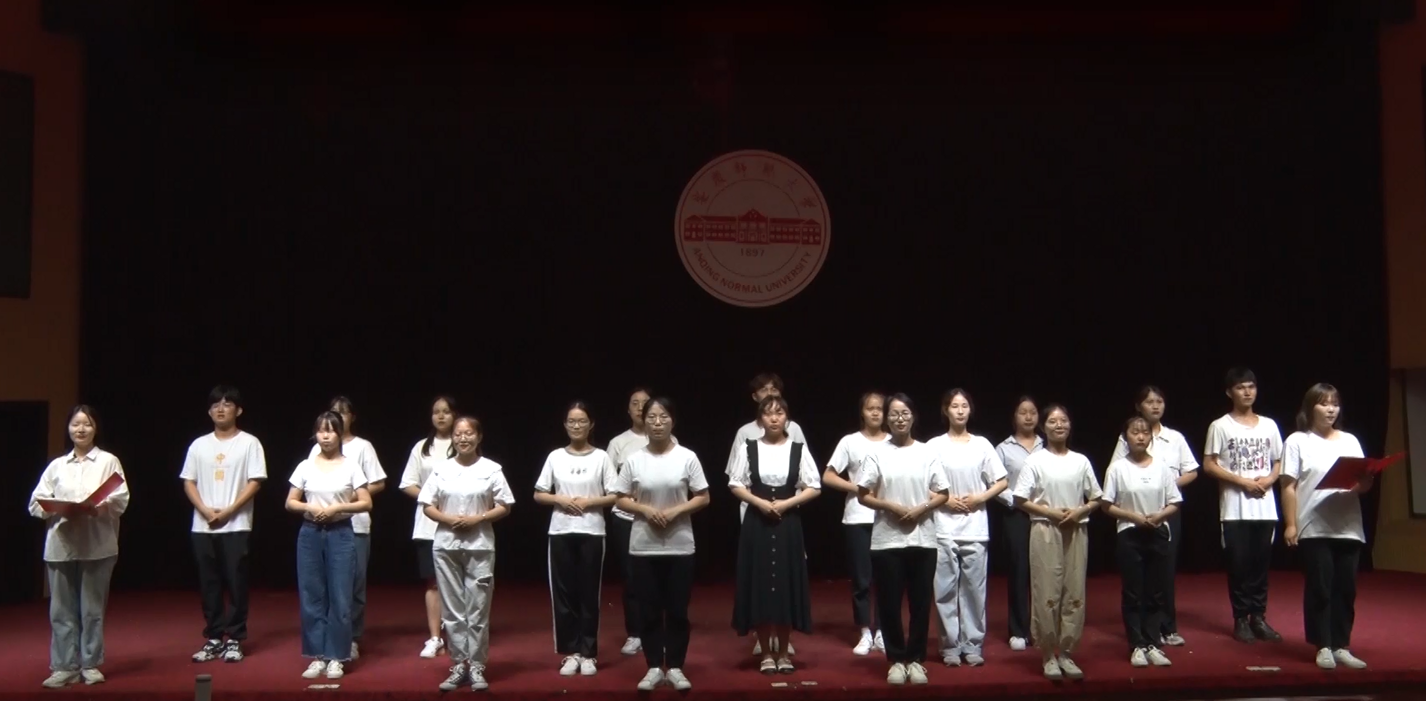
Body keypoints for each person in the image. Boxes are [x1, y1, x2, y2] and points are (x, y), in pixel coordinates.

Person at [29, 405, 130, 688]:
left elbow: (121, 499)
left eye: (87, 424)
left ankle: (90, 663)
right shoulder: (57, 466)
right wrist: (55, 508)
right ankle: (64, 666)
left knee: (92, 610)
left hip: (97, 546)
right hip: (61, 546)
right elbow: (35, 503)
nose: (81, 429)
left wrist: (101, 506)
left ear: (95, 428)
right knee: (60, 611)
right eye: (75, 424)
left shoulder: (108, 461)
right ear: (69, 428)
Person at [613, 397, 710, 692]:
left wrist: (676, 511)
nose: (657, 423)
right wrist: (644, 510)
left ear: (673, 421)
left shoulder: (687, 457)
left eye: (663, 417)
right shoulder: (634, 459)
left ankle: (676, 667)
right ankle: (654, 666)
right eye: (652, 417)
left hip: (680, 545)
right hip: (644, 545)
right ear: (644, 422)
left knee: (678, 610)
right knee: (649, 610)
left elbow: (703, 496)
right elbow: (620, 498)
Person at [855, 393, 950, 686]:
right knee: (889, 603)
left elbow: (943, 493)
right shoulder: (877, 453)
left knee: (920, 603)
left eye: (905, 413)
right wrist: (891, 507)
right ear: (887, 418)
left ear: (913, 417)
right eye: (894, 414)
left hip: (923, 539)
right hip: (887, 541)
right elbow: (863, 494)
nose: (899, 418)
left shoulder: (927, 452)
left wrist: (921, 509)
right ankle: (896, 659)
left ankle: (917, 660)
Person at [419, 416, 514, 692]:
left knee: (478, 607)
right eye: (458, 434)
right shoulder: (442, 470)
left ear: (478, 437)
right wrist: (447, 518)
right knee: (452, 608)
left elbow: (505, 504)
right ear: (453, 438)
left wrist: (478, 518)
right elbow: (427, 504)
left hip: (480, 544)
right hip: (446, 545)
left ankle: (477, 664)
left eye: (469, 433)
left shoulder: (491, 469)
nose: (463, 438)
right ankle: (459, 663)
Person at [1281, 383, 1371, 670]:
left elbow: (1363, 483)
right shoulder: (1297, 441)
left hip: (1348, 525)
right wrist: (1291, 524)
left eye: (1335, 404)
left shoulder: (1350, 440)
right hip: (1313, 524)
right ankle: (1322, 645)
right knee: (1320, 587)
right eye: (1324, 403)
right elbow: (1288, 486)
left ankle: (1341, 645)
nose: (1331, 409)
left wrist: (1366, 481)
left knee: (1346, 588)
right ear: (1310, 408)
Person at [729, 395, 821, 675]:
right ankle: (766, 652)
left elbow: (814, 486)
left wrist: (786, 503)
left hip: (787, 521)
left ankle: (783, 652)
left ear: (787, 418)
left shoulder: (797, 449)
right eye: (768, 413)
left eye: (779, 413)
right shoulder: (749, 447)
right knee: (760, 583)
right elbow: (735, 483)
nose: (774, 418)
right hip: (757, 521)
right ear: (760, 419)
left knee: (784, 584)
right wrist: (758, 503)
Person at [1012, 404, 1102, 680]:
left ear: (1070, 425)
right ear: (1044, 427)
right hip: (1045, 529)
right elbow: (1020, 498)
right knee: (1046, 591)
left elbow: (1097, 497)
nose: (1059, 425)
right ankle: (1047, 654)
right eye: (1052, 421)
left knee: (1074, 590)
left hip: (1076, 529)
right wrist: (1050, 512)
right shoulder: (1035, 461)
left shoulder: (1080, 460)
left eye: (1063, 420)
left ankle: (1066, 652)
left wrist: (1080, 511)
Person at [181, 385, 268, 663]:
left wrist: (229, 510)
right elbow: (188, 481)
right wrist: (205, 510)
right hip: (203, 524)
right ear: (209, 411)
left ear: (238, 410)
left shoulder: (250, 443)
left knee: (237, 581)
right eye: (215, 404)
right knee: (209, 582)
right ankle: (214, 637)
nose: (220, 408)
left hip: (237, 523)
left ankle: (235, 638)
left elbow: (255, 481)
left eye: (227, 403)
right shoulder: (198, 445)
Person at [533, 402, 618, 677]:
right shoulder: (555, 456)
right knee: (564, 593)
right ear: (565, 425)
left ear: (591, 424)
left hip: (592, 530)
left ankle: (589, 652)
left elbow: (616, 495)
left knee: (589, 593)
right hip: (560, 531)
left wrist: (589, 502)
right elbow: (539, 493)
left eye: (582, 421)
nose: (576, 426)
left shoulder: (601, 457)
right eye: (571, 421)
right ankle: (571, 652)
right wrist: (560, 499)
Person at [1109, 386, 1199, 646]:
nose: (1156, 406)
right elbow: (1115, 471)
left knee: (1164, 571)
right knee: (1137, 577)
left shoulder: (1175, 437)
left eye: (1160, 401)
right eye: (1150, 402)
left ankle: (1167, 627)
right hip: (1134, 512)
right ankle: (1141, 632)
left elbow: (1192, 471)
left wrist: (1165, 486)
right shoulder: (1127, 436)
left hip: (1166, 510)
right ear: (1139, 406)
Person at [286, 410, 373, 680]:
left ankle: (337, 656)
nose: (325, 436)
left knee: (340, 596)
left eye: (331, 430)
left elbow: (366, 502)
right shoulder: (305, 465)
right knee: (312, 595)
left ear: (339, 434)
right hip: (310, 532)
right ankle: (317, 656)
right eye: (321, 430)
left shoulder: (351, 466)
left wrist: (338, 507)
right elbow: (290, 501)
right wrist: (309, 507)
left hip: (341, 532)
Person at [1203, 367, 1284, 644]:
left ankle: (1258, 617)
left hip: (1265, 507)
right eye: (1240, 387)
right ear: (1230, 392)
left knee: (1261, 564)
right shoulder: (1220, 426)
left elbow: (1279, 461)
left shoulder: (1269, 425)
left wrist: (1269, 479)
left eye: (1251, 386)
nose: (1247, 392)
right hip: (1235, 508)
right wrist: (1242, 482)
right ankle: (1240, 618)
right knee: (1239, 565)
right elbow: (1209, 464)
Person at [926, 389, 1007, 667]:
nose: (960, 410)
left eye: (964, 406)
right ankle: (949, 645)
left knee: (974, 589)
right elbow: (921, 480)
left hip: (975, 526)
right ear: (945, 410)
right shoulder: (934, 445)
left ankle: (972, 644)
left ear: (970, 410)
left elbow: (1001, 481)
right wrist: (945, 499)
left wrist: (980, 498)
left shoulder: (982, 444)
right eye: (954, 406)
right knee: (945, 589)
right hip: (943, 526)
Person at [308, 397, 386, 660]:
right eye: (334, 412)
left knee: (353, 585)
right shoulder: (317, 449)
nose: (338, 416)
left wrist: (346, 498)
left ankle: (352, 637)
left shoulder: (363, 447)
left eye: (343, 412)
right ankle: (326, 638)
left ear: (352, 417)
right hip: (323, 524)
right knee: (324, 585)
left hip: (356, 525)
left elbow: (377, 482)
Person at [1100, 416, 1182, 668]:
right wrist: (1133, 516)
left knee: (1156, 591)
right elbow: (1106, 504)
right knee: (1133, 591)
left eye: (1145, 432)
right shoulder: (1117, 468)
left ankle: (1153, 643)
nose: (1140, 436)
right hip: (1130, 533)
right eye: (1135, 432)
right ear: (1126, 437)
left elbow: (1175, 502)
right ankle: (1136, 644)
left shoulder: (1161, 467)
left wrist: (1159, 516)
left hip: (1158, 533)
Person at [820, 392, 890, 655]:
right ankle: (864, 631)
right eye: (870, 408)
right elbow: (828, 476)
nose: (875, 412)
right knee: (862, 579)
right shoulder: (850, 442)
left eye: (880, 408)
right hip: (857, 517)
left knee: (886, 578)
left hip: (887, 518)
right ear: (862, 412)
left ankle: (882, 630)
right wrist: (857, 488)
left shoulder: (893, 442)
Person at [398, 396, 456, 658]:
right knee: (432, 583)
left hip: (458, 523)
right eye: (436, 412)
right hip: (428, 524)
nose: (441, 416)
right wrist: (431, 499)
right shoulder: (422, 447)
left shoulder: (464, 443)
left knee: (457, 582)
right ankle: (435, 637)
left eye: (446, 411)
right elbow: (407, 483)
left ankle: (458, 635)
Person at [604, 387, 654, 656]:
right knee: (632, 576)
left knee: (657, 575)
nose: (640, 407)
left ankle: (656, 629)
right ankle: (635, 632)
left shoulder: (668, 439)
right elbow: (610, 483)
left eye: (645, 403)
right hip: (625, 518)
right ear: (628, 409)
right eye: (635, 403)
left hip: (658, 518)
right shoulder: (618, 443)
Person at [994, 397, 1041, 652]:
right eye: (1023, 412)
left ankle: (1040, 628)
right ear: (1015, 417)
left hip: (1045, 514)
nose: (1028, 417)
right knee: (1019, 572)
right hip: (1016, 516)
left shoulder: (1047, 445)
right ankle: (1018, 630)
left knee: (1044, 573)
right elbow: (995, 483)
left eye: (1033, 412)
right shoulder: (1003, 448)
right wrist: (1018, 501)